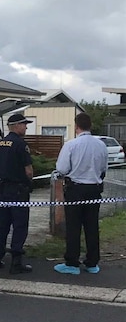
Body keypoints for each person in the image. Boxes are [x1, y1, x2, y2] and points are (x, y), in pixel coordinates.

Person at [53, 112, 108, 275]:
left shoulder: (71, 145)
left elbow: (62, 169)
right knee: (92, 226)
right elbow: (104, 169)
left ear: (76, 127)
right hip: (94, 189)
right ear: (90, 126)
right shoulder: (101, 145)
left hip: (75, 189)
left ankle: (72, 263)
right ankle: (92, 262)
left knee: (73, 227)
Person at [0, 113, 34, 274]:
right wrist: (30, 182)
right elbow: (28, 170)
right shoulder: (20, 144)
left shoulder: (0, 143)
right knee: (20, 226)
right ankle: (16, 262)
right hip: (19, 190)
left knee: (1, 226)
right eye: (24, 124)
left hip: (3, 190)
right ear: (16, 126)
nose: (26, 127)